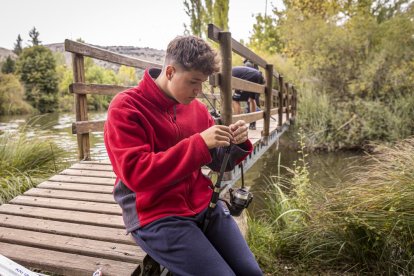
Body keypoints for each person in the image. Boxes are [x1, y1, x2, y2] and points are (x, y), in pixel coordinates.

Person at [104, 35, 262, 276]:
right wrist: (198, 143)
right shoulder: (126, 107)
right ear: (170, 71)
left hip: (203, 203)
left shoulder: (197, 109)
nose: (198, 92)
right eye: (193, 82)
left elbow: (219, 164)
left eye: (203, 84)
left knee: (251, 272)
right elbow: (136, 175)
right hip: (156, 214)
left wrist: (236, 143)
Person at [232, 60, 265, 130]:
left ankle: (237, 124)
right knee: (251, 99)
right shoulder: (234, 70)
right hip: (258, 75)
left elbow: (232, 85)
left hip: (249, 77)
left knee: (235, 100)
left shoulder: (227, 72)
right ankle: (252, 123)